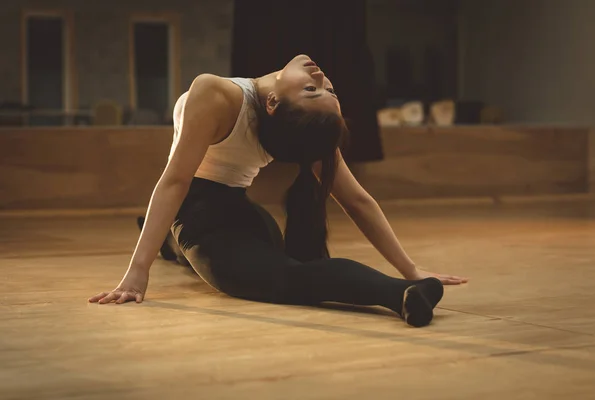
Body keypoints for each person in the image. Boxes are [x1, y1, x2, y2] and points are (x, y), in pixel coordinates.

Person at [89, 54, 468, 327]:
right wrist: (136, 272)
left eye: (318, 89)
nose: (320, 77)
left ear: (274, 102)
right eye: (318, 88)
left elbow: (356, 199)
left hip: (243, 219)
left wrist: (410, 269)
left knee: (287, 274)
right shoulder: (216, 94)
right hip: (198, 220)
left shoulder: (306, 126)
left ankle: (401, 293)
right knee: (275, 276)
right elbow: (176, 181)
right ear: (270, 101)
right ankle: (165, 242)